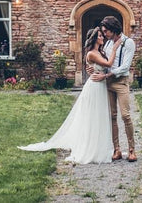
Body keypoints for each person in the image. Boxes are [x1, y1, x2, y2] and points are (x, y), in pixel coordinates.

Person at [18, 27, 122, 164]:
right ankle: (91, 148)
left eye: (102, 35)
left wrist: (98, 70)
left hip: (101, 86)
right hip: (95, 87)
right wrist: (115, 49)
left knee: (100, 116)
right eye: (100, 36)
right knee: (92, 117)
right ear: (94, 38)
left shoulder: (100, 52)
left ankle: (100, 146)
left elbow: (106, 66)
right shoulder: (91, 53)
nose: (102, 37)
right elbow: (108, 63)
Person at [89, 16, 137, 162]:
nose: (104, 34)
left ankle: (132, 150)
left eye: (106, 31)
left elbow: (125, 66)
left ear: (113, 29)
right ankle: (117, 149)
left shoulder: (128, 43)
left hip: (121, 82)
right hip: (108, 83)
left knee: (125, 115)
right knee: (112, 116)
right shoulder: (108, 44)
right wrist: (92, 68)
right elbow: (103, 61)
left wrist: (108, 74)